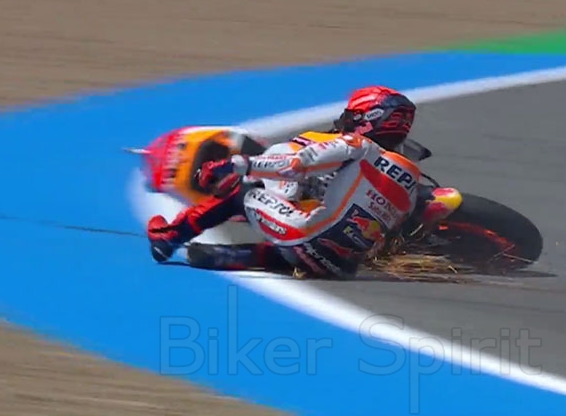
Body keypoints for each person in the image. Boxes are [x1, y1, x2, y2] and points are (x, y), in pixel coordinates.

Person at [146, 86, 420, 278]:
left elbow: (295, 166)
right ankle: (243, 256)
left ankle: (169, 237)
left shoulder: (356, 146)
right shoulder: (411, 180)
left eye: (351, 116)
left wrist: (236, 164)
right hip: (341, 268)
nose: (345, 122)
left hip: (305, 238)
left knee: (244, 191)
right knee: (317, 232)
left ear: (368, 120)